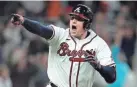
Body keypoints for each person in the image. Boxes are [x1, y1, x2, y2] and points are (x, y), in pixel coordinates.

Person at [10, 4, 116, 87]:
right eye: (73, 17)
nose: (74, 21)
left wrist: (99, 67)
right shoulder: (61, 34)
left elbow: (111, 77)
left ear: (87, 24)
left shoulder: (98, 44)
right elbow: (41, 29)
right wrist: (24, 21)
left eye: (79, 19)